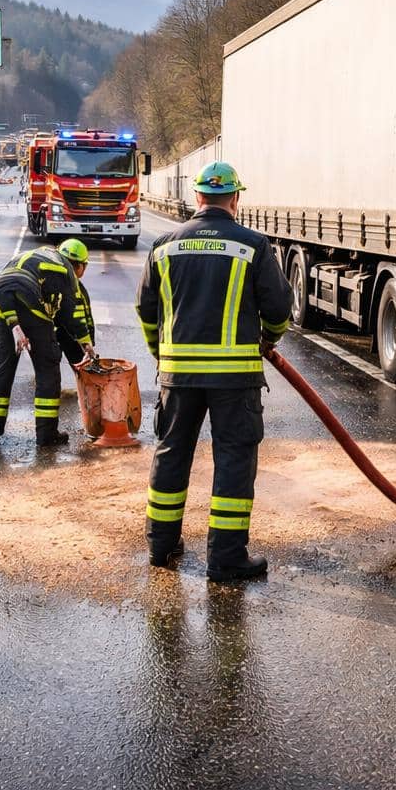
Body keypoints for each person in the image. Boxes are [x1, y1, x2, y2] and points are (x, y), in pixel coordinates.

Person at [135, 162, 291, 582]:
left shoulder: (164, 246)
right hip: (234, 379)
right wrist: (269, 339)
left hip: (178, 377)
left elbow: (147, 311)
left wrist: (160, 354)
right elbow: (278, 310)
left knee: (171, 454)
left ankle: (160, 546)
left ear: (196, 197)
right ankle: (225, 559)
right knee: (234, 461)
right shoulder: (253, 246)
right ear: (236, 199)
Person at [0, 239, 95, 449]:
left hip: (4, 309)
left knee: (2, 370)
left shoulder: (38, 256)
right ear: (79, 265)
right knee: (47, 371)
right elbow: (73, 314)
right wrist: (86, 343)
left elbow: (7, 287)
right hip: (30, 307)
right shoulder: (65, 271)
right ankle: (46, 435)